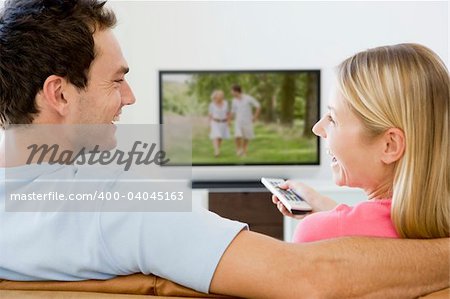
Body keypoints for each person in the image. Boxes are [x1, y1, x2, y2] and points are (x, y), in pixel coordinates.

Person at [0, 1, 448, 298]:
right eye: (117, 80)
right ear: (58, 94)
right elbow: (310, 277)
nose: (132, 97)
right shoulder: (121, 204)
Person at [273, 44, 449, 243]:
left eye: (332, 118)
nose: (317, 128)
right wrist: (327, 207)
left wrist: (330, 221)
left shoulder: (318, 235)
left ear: (389, 146)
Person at [230, 84, 261, 157]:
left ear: (236, 91)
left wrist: (255, 117)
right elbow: (233, 111)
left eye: (232, 92)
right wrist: (229, 120)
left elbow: (258, 106)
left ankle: (244, 151)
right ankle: (238, 150)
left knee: (247, 137)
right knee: (237, 135)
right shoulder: (234, 100)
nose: (231, 93)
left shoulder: (248, 98)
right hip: (238, 121)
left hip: (248, 121)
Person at [208, 90, 230, 157]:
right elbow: (210, 115)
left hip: (223, 122)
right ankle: (217, 151)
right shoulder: (211, 105)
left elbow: (227, 112)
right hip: (215, 122)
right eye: (220, 95)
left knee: (220, 137)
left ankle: (217, 149)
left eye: (222, 96)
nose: (221, 97)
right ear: (216, 96)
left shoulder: (226, 103)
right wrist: (209, 124)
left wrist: (229, 121)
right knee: (216, 136)